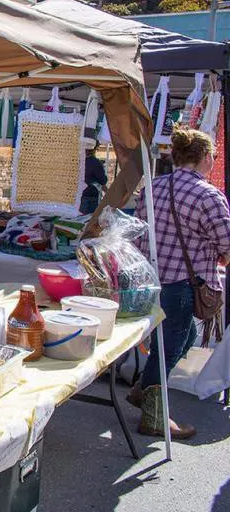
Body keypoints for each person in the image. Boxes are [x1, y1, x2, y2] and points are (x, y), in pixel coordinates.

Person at [131, 126, 230, 439]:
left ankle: (144, 390)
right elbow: (227, 243)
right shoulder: (208, 195)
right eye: (213, 155)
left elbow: (138, 230)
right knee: (172, 344)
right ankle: (154, 416)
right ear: (203, 156)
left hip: (149, 280)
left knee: (181, 338)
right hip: (182, 285)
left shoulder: (154, 186)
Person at [80, 146, 108, 215]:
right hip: (90, 195)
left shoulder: (78, 160)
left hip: (79, 195)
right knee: (88, 219)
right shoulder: (95, 163)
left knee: (79, 217)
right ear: (93, 150)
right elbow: (102, 180)